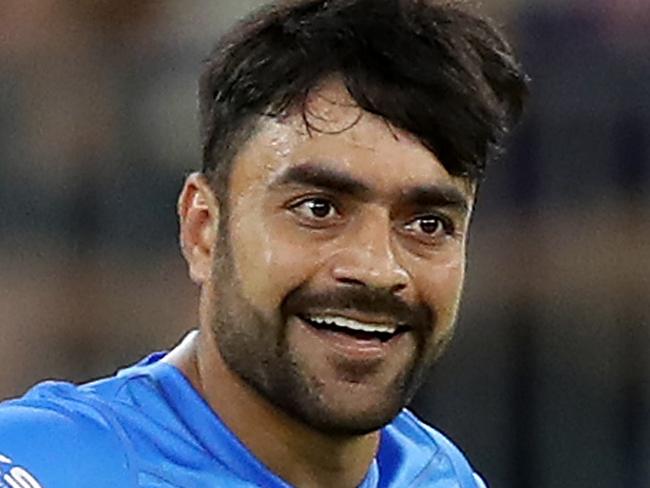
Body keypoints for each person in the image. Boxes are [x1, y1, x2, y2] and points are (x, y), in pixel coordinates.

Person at [0, 0, 527, 486]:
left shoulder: (439, 476)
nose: (377, 267)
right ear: (203, 229)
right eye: (318, 209)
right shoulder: (46, 464)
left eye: (428, 224)